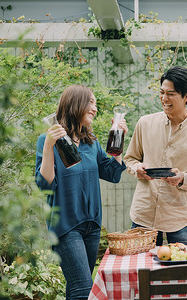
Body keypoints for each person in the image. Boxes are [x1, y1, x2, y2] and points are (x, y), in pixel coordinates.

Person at [35, 85, 128, 299]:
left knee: (78, 288)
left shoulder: (91, 143)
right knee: (82, 289)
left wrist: (118, 138)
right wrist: (49, 145)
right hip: (66, 226)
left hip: (92, 225)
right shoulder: (48, 139)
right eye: (91, 102)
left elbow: (113, 174)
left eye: (95, 104)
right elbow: (45, 185)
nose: (95, 108)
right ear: (75, 104)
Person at [124, 66, 187, 245]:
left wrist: (182, 178)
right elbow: (130, 158)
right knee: (141, 269)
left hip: (181, 217)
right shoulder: (145, 123)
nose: (164, 99)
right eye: (162, 92)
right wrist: (136, 169)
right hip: (144, 213)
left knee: (182, 272)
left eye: (171, 94)